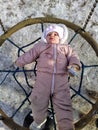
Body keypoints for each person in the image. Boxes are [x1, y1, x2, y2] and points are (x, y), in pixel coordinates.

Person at [15, 24, 81, 130]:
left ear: (61, 37)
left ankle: (66, 127)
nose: (52, 36)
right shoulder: (41, 46)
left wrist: (74, 66)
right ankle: (39, 120)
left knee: (64, 105)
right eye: (49, 34)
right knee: (37, 102)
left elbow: (74, 57)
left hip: (61, 81)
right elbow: (30, 54)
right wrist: (20, 61)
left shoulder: (66, 48)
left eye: (55, 34)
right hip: (42, 80)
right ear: (45, 37)